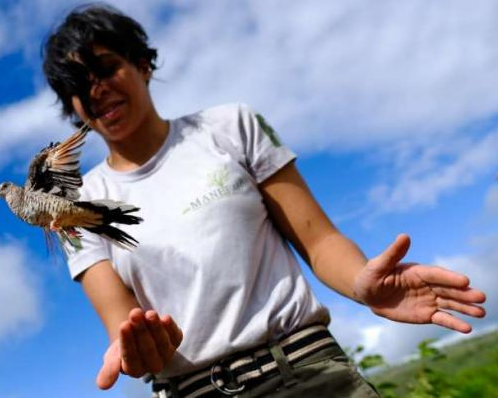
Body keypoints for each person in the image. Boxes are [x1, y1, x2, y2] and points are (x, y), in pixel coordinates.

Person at [42, 4, 487, 397]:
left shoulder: (229, 127)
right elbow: (123, 324)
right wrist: (135, 351)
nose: (95, 89)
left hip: (310, 374)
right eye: (78, 85)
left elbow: (319, 240)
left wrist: (361, 284)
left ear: (143, 64)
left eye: (106, 67)